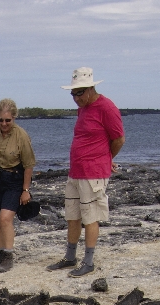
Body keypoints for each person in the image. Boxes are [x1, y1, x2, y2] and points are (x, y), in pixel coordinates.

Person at [47, 67, 125, 277]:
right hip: (76, 171)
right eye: (73, 93)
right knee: (72, 214)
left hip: (93, 172)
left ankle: (88, 261)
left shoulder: (106, 107)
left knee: (91, 217)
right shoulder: (82, 108)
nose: (76, 97)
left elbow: (118, 139)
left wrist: (107, 159)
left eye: (79, 92)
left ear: (91, 88)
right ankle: (70, 257)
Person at [0, 99, 36, 273]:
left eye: (7, 120)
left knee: (6, 218)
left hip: (14, 179)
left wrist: (26, 190)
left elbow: (28, 164)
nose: (4, 124)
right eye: (0, 120)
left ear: (13, 118)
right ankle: (0, 253)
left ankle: (8, 255)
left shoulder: (21, 135)